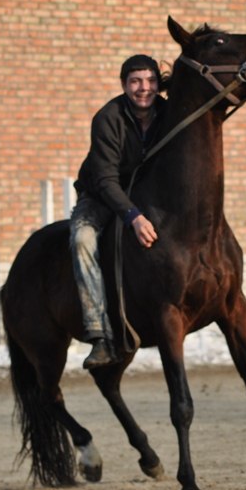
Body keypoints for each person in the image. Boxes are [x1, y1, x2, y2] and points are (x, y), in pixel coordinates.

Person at [71, 54, 165, 369]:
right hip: (99, 195)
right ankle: (98, 332)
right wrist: (133, 217)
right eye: (136, 81)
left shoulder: (166, 113)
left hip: (143, 194)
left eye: (151, 81)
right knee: (83, 239)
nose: (144, 88)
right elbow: (106, 180)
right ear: (124, 84)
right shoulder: (107, 118)